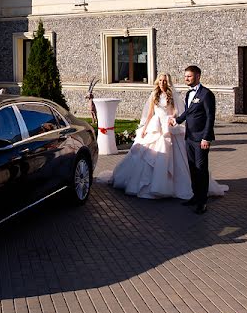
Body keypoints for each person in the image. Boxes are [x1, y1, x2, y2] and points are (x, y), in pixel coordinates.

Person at [97, 74, 227, 202]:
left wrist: (173, 118)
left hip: (169, 125)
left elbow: (178, 111)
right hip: (155, 126)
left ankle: (191, 189)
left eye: (164, 81)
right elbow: (149, 114)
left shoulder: (173, 95)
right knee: (146, 155)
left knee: (180, 157)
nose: (162, 83)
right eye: (160, 80)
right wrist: (144, 128)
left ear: (168, 82)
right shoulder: (154, 95)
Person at [169, 65, 224, 214]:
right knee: (192, 168)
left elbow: (210, 117)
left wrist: (206, 138)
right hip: (189, 137)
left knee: (201, 170)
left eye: (189, 76)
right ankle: (195, 195)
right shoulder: (188, 94)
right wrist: (177, 120)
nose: (186, 78)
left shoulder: (207, 94)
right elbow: (188, 112)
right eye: (185, 76)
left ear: (198, 76)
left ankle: (202, 202)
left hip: (201, 139)